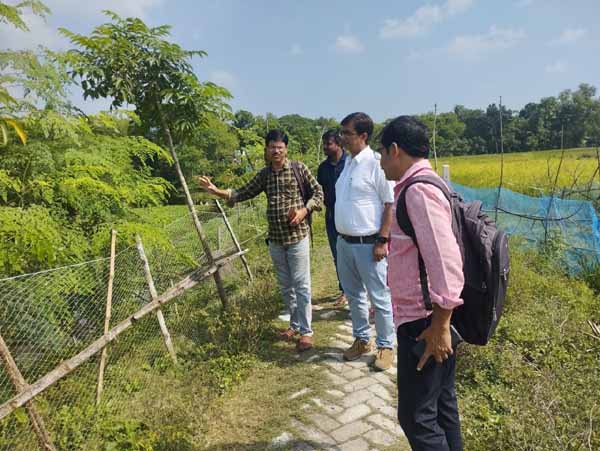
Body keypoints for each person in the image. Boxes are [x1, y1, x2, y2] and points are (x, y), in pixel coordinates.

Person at [377, 115, 464, 450]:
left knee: (417, 418)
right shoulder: (424, 185)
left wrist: (440, 326)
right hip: (428, 318)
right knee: (441, 407)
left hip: (425, 323)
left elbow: (446, 262)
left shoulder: (418, 192)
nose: (381, 162)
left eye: (382, 153)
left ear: (395, 150)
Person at [197, 129, 323, 352]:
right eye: (272, 147)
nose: (276, 151)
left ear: (286, 149)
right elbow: (242, 192)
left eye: (280, 147)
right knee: (286, 286)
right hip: (276, 240)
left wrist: (304, 211)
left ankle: (306, 332)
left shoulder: (299, 168)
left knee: (301, 285)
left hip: (297, 237)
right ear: (267, 149)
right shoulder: (265, 175)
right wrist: (216, 191)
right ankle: (294, 325)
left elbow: (318, 193)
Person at [335, 112, 396, 371]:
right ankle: (361, 340)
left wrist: (382, 240)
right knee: (354, 295)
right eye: (342, 132)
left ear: (363, 136)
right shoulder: (348, 163)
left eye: (347, 133)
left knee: (379, 297)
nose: (342, 138)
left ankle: (385, 346)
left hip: (369, 244)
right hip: (344, 243)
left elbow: (389, 204)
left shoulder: (375, 163)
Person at [316, 129, 347, 307]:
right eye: (324, 144)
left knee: (355, 253)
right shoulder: (323, 168)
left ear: (339, 143)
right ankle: (345, 290)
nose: (325, 147)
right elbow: (318, 191)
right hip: (331, 215)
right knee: (338, 254)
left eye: (329, 144)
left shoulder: (350, 163)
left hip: (350, 215)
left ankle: (360, 288)